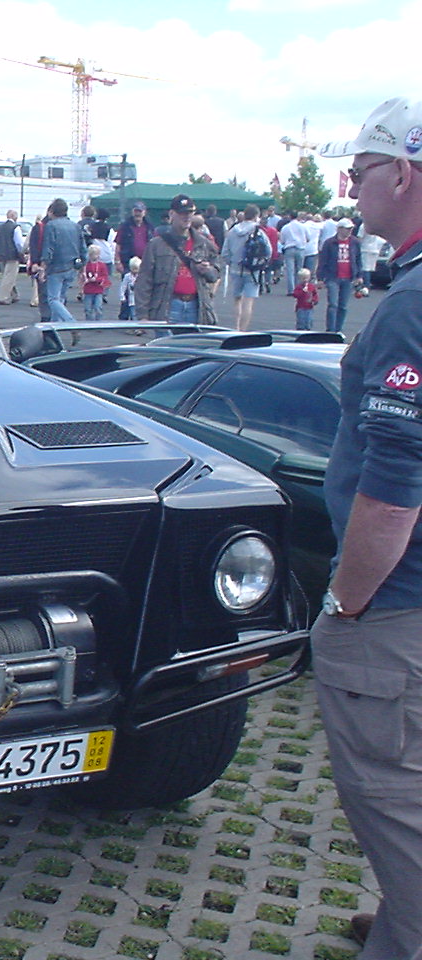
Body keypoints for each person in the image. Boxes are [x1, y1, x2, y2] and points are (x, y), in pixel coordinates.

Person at [314, 95, 422, 959]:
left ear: (402, 173)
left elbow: (392, 491)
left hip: (398, 606)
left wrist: (347, 605)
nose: (351, 192)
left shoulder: (408, 309)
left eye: (355, 174)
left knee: (390, 793)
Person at [133, 194, 219, 325]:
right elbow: (144, 280)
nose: (187, 216)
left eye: (190, 213)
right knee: (166, 345)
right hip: (166, 307)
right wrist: (143, 315)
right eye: (182, 213)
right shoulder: (156, 245)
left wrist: (208, 270)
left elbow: (216, 273)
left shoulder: (204, 244)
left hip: (197, 307)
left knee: (194, 345)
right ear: (172, 214)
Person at [220, 204, 273, 330]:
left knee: (237, 299)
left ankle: (236, 326)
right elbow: (269, 251)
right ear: (256, 216)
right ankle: (242, 330)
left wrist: (231, 262)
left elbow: (225, 252)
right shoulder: (259, 231)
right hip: (253, 270)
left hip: (235, 268)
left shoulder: (233, 230)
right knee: (248, 302)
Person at [37, 198, 85, 324]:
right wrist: (82, 266)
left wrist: (43, 267)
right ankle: (56, 326)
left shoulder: (51, 226)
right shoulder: (75, 226)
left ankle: (71, 322)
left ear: (52, 211)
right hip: (71, 266)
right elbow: (82, 247)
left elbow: (49, 249)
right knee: (61, 298)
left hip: (56, 267)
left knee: (53, 299)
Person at [316, 218, 361, 334]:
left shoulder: (354, 242)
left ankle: (338, 329)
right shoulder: (329, 243)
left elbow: (358, 259)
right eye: (347, 229)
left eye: (351, 229)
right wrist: (320, 278)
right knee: (333, 304)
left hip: (348, 277)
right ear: (339, 229)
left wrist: (359, 275)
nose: (349, 231)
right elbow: (323, 261)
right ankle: (330, 330)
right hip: (333, 276)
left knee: (343, 306)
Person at [0, 210, 24, 306]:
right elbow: (18, 243)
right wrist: (22, 253)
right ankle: (3, 297)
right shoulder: (16, 228)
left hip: (2, 255)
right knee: (9, 277)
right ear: (14, 216)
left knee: (7, 275)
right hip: (12, 256)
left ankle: (14, 295)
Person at [116, 201, 156, 269]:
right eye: (135, 211)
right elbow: (118, 245)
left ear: (144, 212)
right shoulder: (125, 226)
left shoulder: (150, 227)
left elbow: (154, 245)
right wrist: (118, 262)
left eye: (139, 211)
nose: (137, 214)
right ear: (132, 212)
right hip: (127, 263)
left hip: (146, 263)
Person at [80, 245, 109, 321]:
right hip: (88, 290)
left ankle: (98, 322)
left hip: (98, 290)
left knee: (98, 307)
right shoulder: (86, 266)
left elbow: (105, 277)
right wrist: (85, 279)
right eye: (92, 254)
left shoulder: (102, 265)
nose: (94, 256)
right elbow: (82, 276)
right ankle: (89, 323)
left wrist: (97, 279)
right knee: (87, 309)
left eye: (96, 254)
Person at [118, 256, 140, 321]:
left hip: (139, 299)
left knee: (137, 314)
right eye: (133, 269)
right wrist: (122, 296)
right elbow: (123, 286)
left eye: (137, 269)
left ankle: (138, 328)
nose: (135, 271)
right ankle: (134, 327)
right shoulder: (127, 276)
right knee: (133, 314)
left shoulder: (141, 276)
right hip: (132, 299)